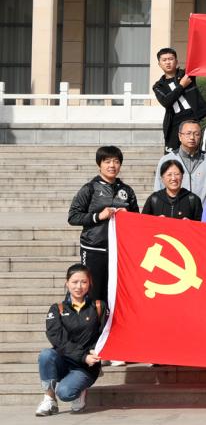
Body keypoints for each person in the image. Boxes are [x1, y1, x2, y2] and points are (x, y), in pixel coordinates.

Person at [68, 146, 139, 303]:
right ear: (99, 164)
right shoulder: (90, 188)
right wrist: (98, 216)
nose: (112, 165)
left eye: (116, 161)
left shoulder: (127, 190)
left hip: (119, 252)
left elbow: (137, 220)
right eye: (107, 161)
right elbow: (73, 216)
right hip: (93, 249)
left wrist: (128, 216)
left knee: (116, 295)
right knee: (93, 294)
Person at [35, 264, 107, 416]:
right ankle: (49, 399)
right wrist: (82, 356)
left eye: (84, 282)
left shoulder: (98, 307)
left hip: (86, 366)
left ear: (90, 283)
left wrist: (96, 352)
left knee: (66, 393)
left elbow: (105, 334)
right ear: (67, 283)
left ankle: (79, 389)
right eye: (74, 282)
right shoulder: (57, 309)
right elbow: (58, 340)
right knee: (46, 355)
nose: (79, 286)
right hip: (65, 360)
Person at [152, 47, 206, 151]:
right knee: (172, 155)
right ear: (159, 64)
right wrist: (182, 85)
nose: (168, 62)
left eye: (171, 59)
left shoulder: (186, 75)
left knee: (196, 152)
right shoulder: (158, 86)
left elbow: (197, 60)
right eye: (164, 60)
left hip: (195, 118)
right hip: (174, 124)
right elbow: (166, 102)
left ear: (176, 61)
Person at [152, 120, 206, 203]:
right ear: (180, 136)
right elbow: (158, 189)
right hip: (175, 210)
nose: (192, 137)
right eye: (188, 133)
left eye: (196, 134)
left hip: (202, 210)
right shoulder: (167, 159)